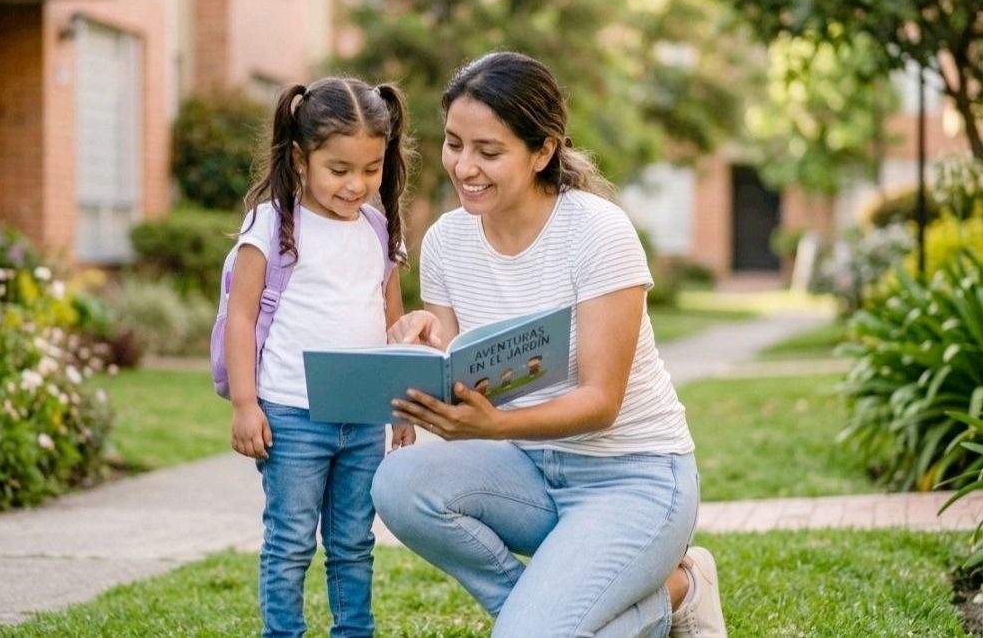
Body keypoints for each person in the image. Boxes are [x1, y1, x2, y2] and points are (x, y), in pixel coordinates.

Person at [371, 52, 728, 638]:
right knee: (398, 482)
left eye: (489, 152)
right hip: (529, 472)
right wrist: (420, 345)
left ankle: (681, 589)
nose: (465, 167)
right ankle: (554, 613)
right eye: (454, 144)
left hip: (633, 478)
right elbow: (465, 380)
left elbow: (601, 402)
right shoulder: (445, 241)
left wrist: (494, 427)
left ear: (543, 151)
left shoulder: (596, 231)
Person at [225, 76, 417, 638]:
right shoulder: (273, 225)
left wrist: (401, 403)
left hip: (362, 418)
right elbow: (240, 317)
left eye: (371, 168)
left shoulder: (379, 229)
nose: (357, 185)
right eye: (340, 169)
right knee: (288, 541)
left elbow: (392, 323)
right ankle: (283, 632)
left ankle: (354, 631)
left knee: (354, 541)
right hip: (290, 416)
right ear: (300, 157)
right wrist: (244, 404)